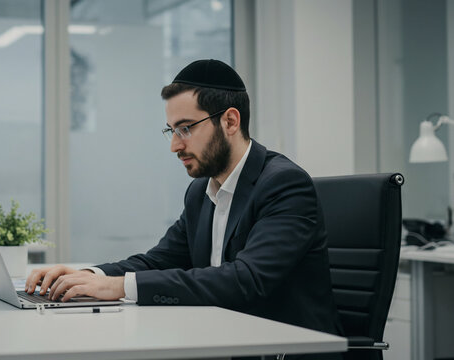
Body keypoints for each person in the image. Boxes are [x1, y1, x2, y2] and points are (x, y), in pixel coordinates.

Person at [26, 59, 342, 358]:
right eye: (171, 130)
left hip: (280, 351)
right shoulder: (199, 193)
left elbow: (247, 280)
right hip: (222, 343)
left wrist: (118, 286)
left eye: (186, 128)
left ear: (230, 121)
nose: (175, 145)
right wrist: (91, 276)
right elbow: (158, 260)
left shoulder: (284, 184)